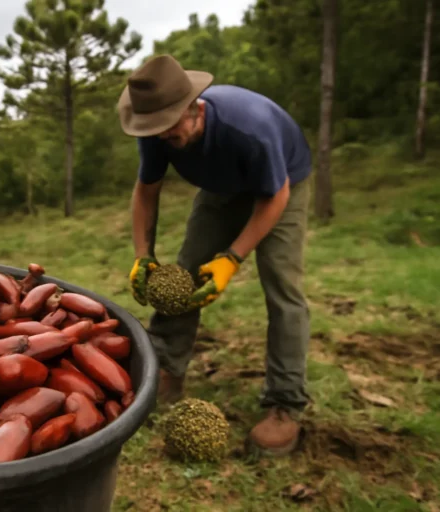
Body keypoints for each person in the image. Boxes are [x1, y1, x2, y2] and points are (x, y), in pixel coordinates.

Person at [117, 54, 312, 456]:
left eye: (168, 132)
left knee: (282, 287)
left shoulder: (249, 129)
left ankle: (285, 403)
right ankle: (167, 369)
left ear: (194, 109)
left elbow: (275, 197)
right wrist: (143, 255)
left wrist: (232, 258)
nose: (160, 140)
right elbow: (146, 191)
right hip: (221, 187)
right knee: (185, 270)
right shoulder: (158, 129)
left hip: (282, 186)